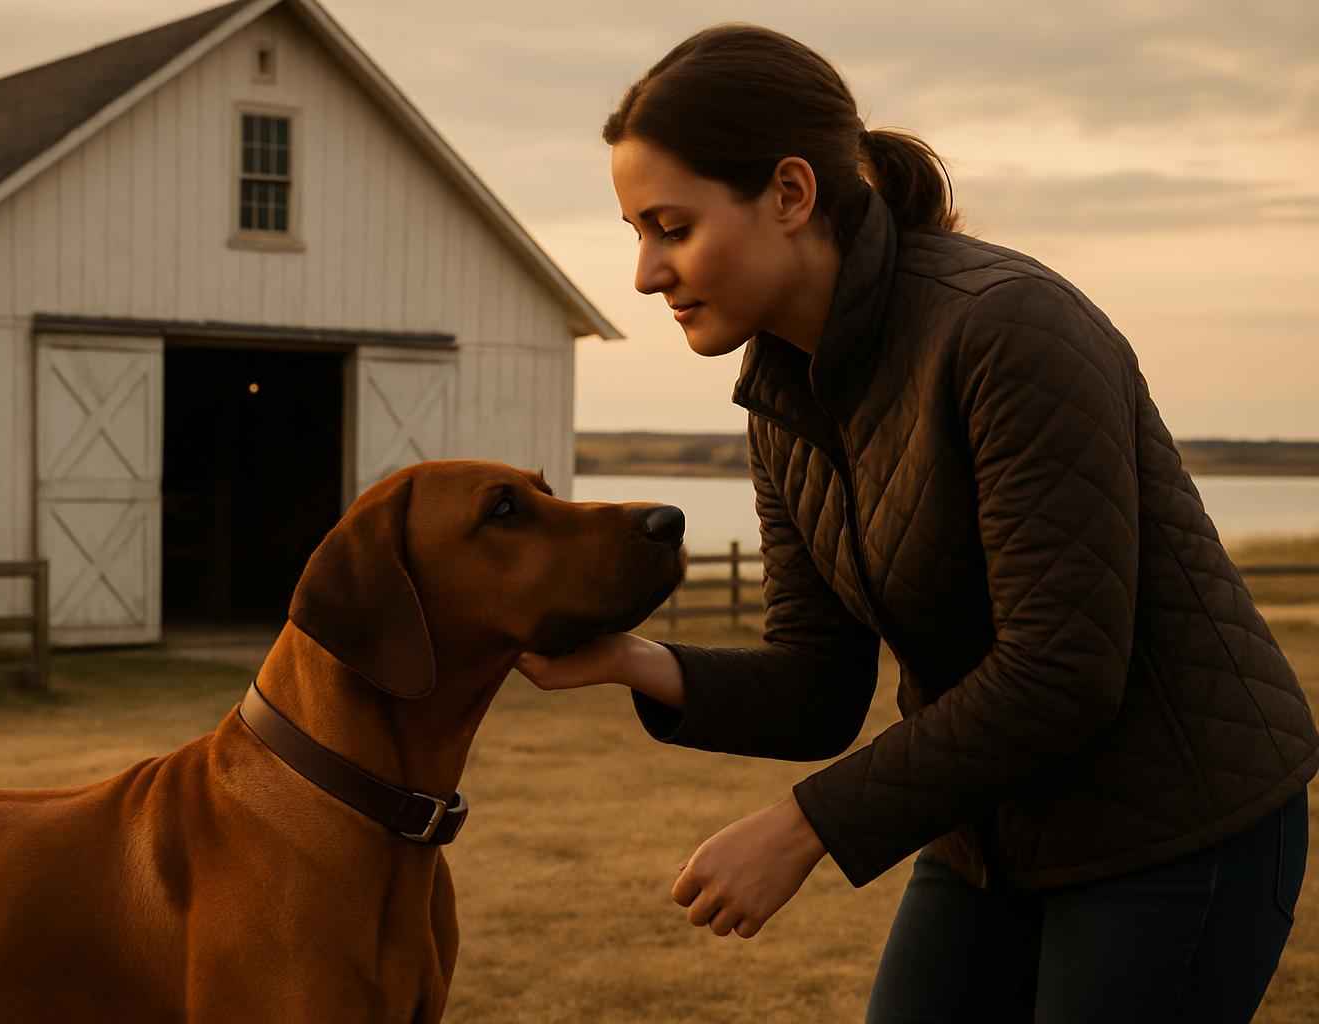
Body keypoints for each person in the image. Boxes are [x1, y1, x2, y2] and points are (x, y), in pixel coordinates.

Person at [513, 22, 1318, 1023]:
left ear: (791, 194)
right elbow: (820, 685)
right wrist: (629, 660)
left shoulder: (1008, 329)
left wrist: (803, 827)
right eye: (635, 232)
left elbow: (1063, 666)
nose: (644, 273)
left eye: (670, 228)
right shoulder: (785, 401)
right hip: (987, 834)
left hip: (1175, 827)